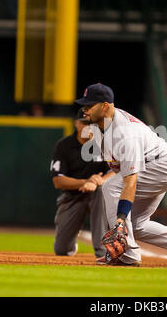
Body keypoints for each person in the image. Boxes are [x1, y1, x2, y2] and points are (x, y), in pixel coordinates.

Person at [74, 83, 167, 266]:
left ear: (105, 106)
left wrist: (119, 219)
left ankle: (127, 255)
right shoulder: (101, 127)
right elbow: (120, 172)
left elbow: (130, 181)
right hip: (153, 165)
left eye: (89, 105)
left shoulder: (125, 133)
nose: (85, 109)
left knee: (112, 190)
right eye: (84, 105)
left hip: (160, 166)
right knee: (135, 225)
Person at [50, 108, 114, 259]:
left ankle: (102, 252)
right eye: (85, 123)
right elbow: (58, 181)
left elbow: (115, 171)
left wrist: (99, 180)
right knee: (62, 250)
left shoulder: (104, 144)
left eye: (92, 123)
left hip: (98, 195)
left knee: (100, 192)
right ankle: (71, 237)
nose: (89, 126)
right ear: (76, 124)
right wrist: (86, 181)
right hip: (72, 197)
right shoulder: (64, 145)